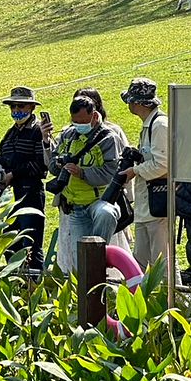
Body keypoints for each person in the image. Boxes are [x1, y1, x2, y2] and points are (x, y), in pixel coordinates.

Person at [49, 96, 121, 273]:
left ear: (95, 116)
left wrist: (82, 173)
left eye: (83, 121)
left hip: (99, 200)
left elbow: (110, 172)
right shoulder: (67, 135)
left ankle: (98, 253)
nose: (79, 126)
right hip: (75, 207)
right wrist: (59, 164)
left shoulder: (108, 138)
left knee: (106, 214)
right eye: (75, 122)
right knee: (79, 266)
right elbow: (51, 165)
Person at [0, 86, 49, 269]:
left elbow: (41, 164)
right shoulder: (10, 133)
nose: (16, 110)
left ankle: (34, 286)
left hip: (30, 192)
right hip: (11, 196)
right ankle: (17, 282)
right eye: (13, 107)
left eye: (21, 106)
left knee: (30, 244)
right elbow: (0, 157)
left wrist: (13, 174)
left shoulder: (37, 131)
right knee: (10, 244)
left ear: (31, 108)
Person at [119, 79, 171, 269]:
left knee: (161, 262)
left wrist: (135, 170)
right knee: (140, 260)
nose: (129, 105)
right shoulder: (150, 125)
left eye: (131, 101)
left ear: (139, 103)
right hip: (147, 206)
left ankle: (169, 298)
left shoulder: (160, 125)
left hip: (158, 204)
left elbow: (163, 165)